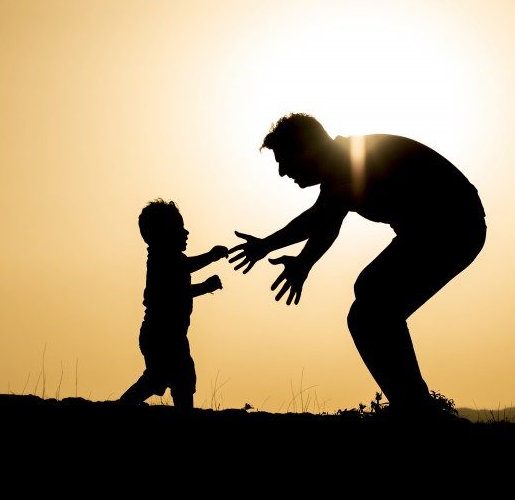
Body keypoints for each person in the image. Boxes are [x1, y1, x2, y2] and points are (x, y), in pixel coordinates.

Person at [229, 113, 486, 417]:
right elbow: (329, 220)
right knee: (369, 304)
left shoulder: (352, 161)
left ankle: (417, 409)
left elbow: (319, 218)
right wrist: (304, 263)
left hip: (454, 228)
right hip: (437, 231)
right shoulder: (340, 169)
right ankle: (416, 406)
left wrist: (265, 245)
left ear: (307, 149)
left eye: (285, 160)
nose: (283, 173)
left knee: (371, 301)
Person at [119, 199, 228, 409]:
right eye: (179, 228)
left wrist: (204, 288)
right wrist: (211, 256)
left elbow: (177, 293)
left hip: (171, 334)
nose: (186, 233)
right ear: (163, 233)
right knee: (162, 379)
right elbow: (184, 268)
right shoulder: (162, 258)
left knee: (180, 379)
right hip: (161, 334)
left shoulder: (169, 261)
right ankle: (122, 406)